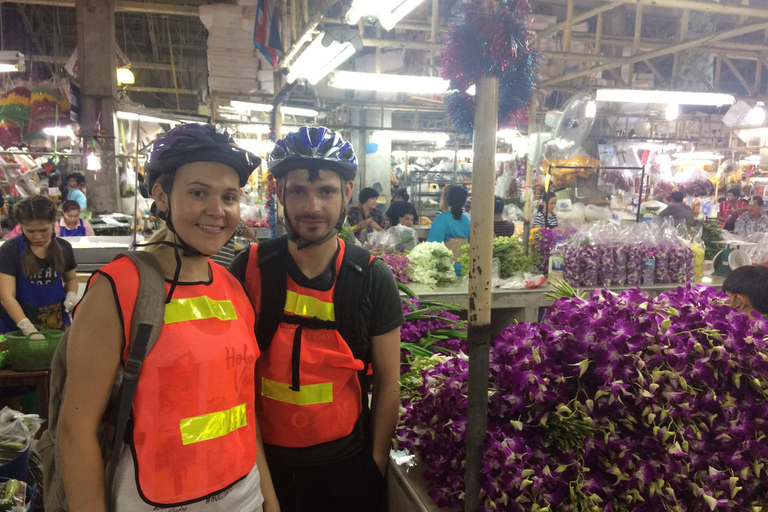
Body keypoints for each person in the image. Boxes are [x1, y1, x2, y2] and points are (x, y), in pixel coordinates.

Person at [58, 124, 278, 512]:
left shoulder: (232, 287)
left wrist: (268, 501)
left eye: (229, 197)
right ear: (161, 195)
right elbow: (76, 432)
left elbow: (242, 412)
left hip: (245, 496)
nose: (217, 210)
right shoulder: (118, 289)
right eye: (198, 193)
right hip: (153, 500)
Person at [230, 126, 403, 512]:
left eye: (325, 190)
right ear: (278, 194)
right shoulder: (249, 269)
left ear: (346, 193)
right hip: (260, 468)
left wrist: (373, 467)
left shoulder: (373, 278)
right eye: (298, 191)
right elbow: (232, 381)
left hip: (346, 471)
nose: (312, 207)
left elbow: (390, 381)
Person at [0, 195, 78, 334]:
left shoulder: (64, 247)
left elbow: (71, 278)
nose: (38, 237)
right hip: (17, 329)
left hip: (56, 326)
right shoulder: (10, 250)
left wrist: (71, 295)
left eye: (43, 230)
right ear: (20, 226)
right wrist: (27, 328)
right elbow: (6, 296)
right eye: (30, 231)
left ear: (54, 222)